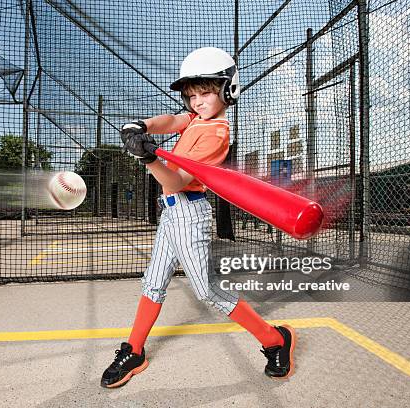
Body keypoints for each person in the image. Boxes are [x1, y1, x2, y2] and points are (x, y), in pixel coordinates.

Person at [100, 47, 296, 388]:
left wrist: (149, 160)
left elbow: (175, 181)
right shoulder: (194, 119)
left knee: (206, 291)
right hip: (170, 215)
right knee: (153, 282)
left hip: (190, 213)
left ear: (226, 90)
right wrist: (142, 125)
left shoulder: (217, 133)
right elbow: (173, 120)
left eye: (205, 92)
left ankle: (275, 340)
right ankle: (134, 350)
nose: (197, 101)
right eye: (192, 95)